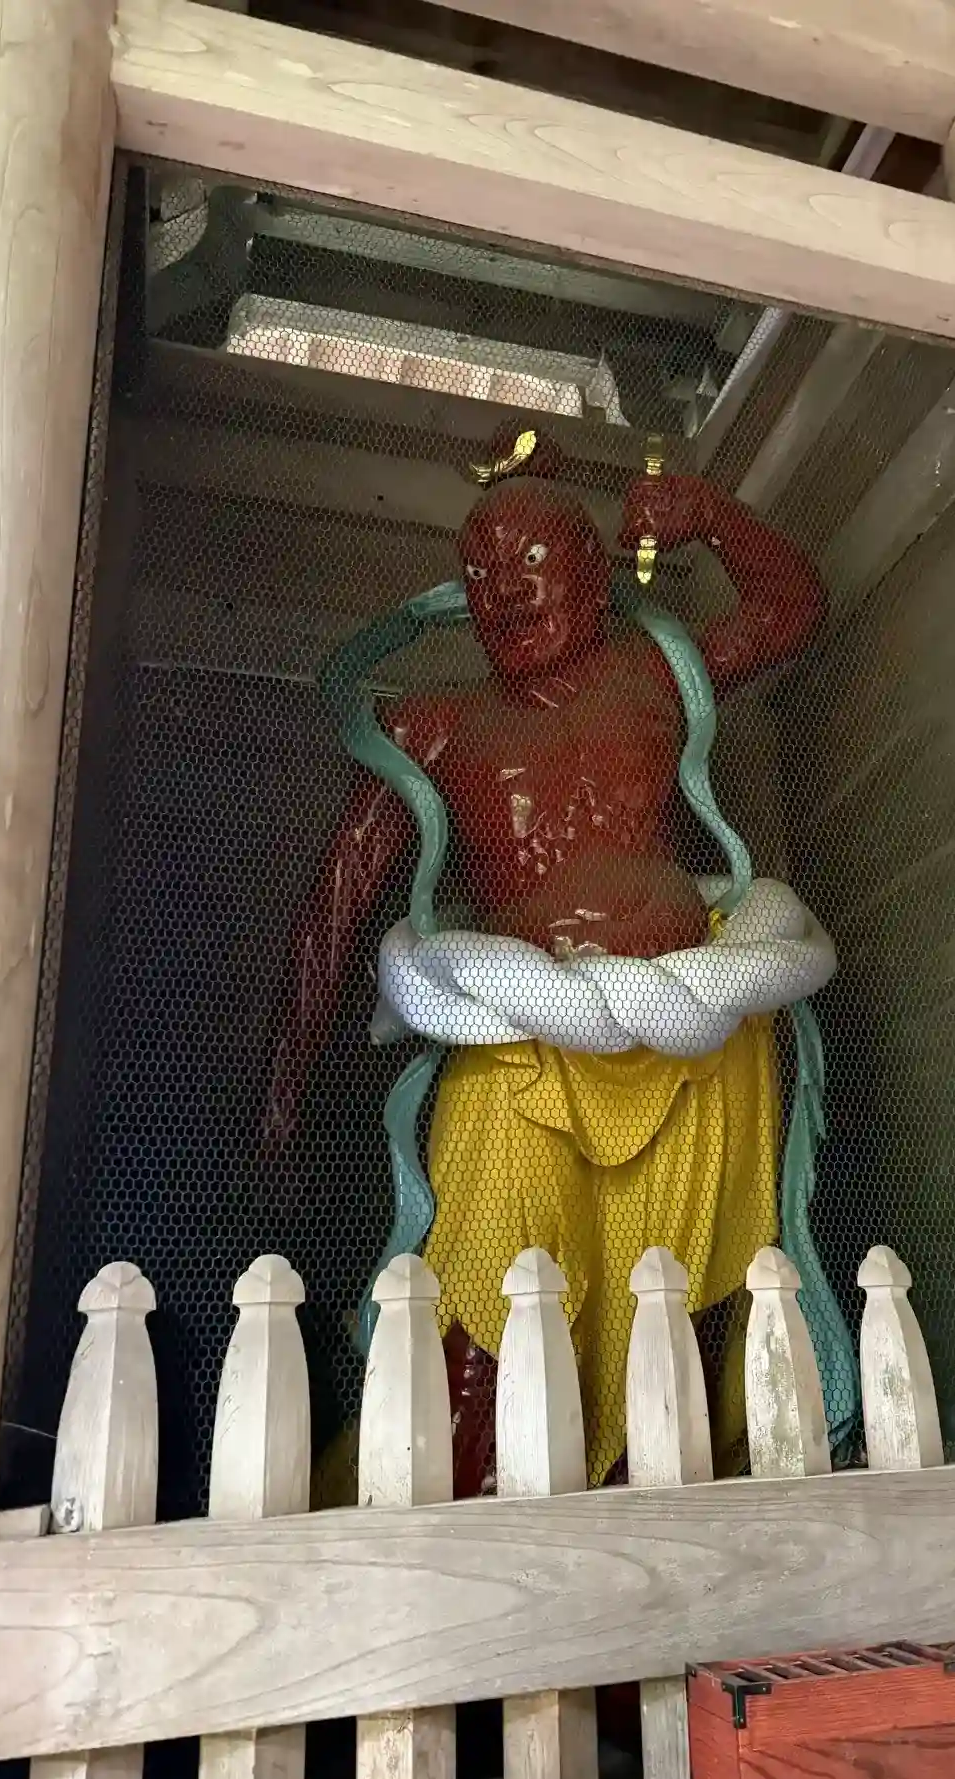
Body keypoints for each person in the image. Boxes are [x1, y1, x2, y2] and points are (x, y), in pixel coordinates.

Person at [264, 426, 826, 1495]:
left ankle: (670, 1518)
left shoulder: (658, 673)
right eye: (479, 572)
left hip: (696, 1034)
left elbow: (794, 607)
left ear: (593, 572)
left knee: (683, 1307)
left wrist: (710, 515)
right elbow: (336, 901)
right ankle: (465, 1511)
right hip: (521, 1044)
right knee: (485, 1296)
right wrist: (285, 1087)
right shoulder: (435, 725)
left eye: (529, 560)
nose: (505, 591)